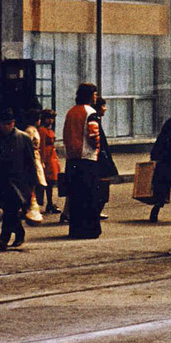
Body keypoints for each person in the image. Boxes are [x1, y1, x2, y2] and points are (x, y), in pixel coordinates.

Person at [0, 109, 37, 250]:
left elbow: (30, 162)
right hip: (1, 180)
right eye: (3, 124)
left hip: (20, 182)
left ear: (13, 123)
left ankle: (4, 238)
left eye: (8, 124)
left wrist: (33, 183)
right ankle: (19, 232)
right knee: (8, 209)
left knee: (11, 209)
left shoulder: (23, 138)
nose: (6, 127)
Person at [63, 83, 104, 239]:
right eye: (95, 94)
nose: (96, 96)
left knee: (76, 197)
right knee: (89, 195)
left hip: (72, 158)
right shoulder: (90, 112)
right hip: (87, 158)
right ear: (90, 95)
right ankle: (90, 230)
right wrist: (97, 149)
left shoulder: (71, 111)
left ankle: (76, 229)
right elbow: (93, 135)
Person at [90, 97, 119, 220]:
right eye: (103, 106)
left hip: (99, 158)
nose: (105, 109)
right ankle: (96, 210)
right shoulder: (94, 121)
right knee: (102, 186)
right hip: (100, 160)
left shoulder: (96, 120)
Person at [19, 109, 45, 225]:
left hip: (36, 156)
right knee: (33, 181)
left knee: (37, 182)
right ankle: (28, 206)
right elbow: (26, 145)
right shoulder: (29, 131)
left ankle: (31, 205)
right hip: (32, 157)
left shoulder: (34, 130)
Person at [37, 109, 60, 214]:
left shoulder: (49, 130)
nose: (50, 120)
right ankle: (48, 203)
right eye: (48, 118)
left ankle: (50, 203)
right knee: (47, 181)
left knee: (50, 182)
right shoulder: (42, 130)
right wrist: (43, 160)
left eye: (52, 118)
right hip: (47, 157)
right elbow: (41, 146)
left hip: (52, 156)